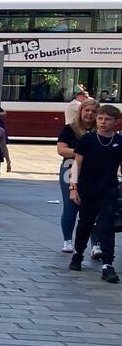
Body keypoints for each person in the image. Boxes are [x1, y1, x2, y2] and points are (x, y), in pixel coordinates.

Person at [68, 103, 121, 283]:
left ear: (116, 122)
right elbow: (77, 164)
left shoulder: (119, 142)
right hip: (87, 190)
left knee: (106, 227)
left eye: (107, 119)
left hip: (109, 190)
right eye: (100, 118)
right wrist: (73, 187)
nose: (102, 122)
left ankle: (108, 265)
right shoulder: (87, 140)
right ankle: (77, 254)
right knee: (85, 224)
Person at [57, 98, 99, 254]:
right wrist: (81, 153)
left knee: (94, 209)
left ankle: (96, 244)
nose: (90, 114)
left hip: (93, 172)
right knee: (70, 206)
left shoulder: (100, 130)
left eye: (94, 112)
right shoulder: (70, 129)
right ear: (80, 111)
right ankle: (68, 241)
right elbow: (61, 149)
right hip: (69, 170)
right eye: (87, 110)